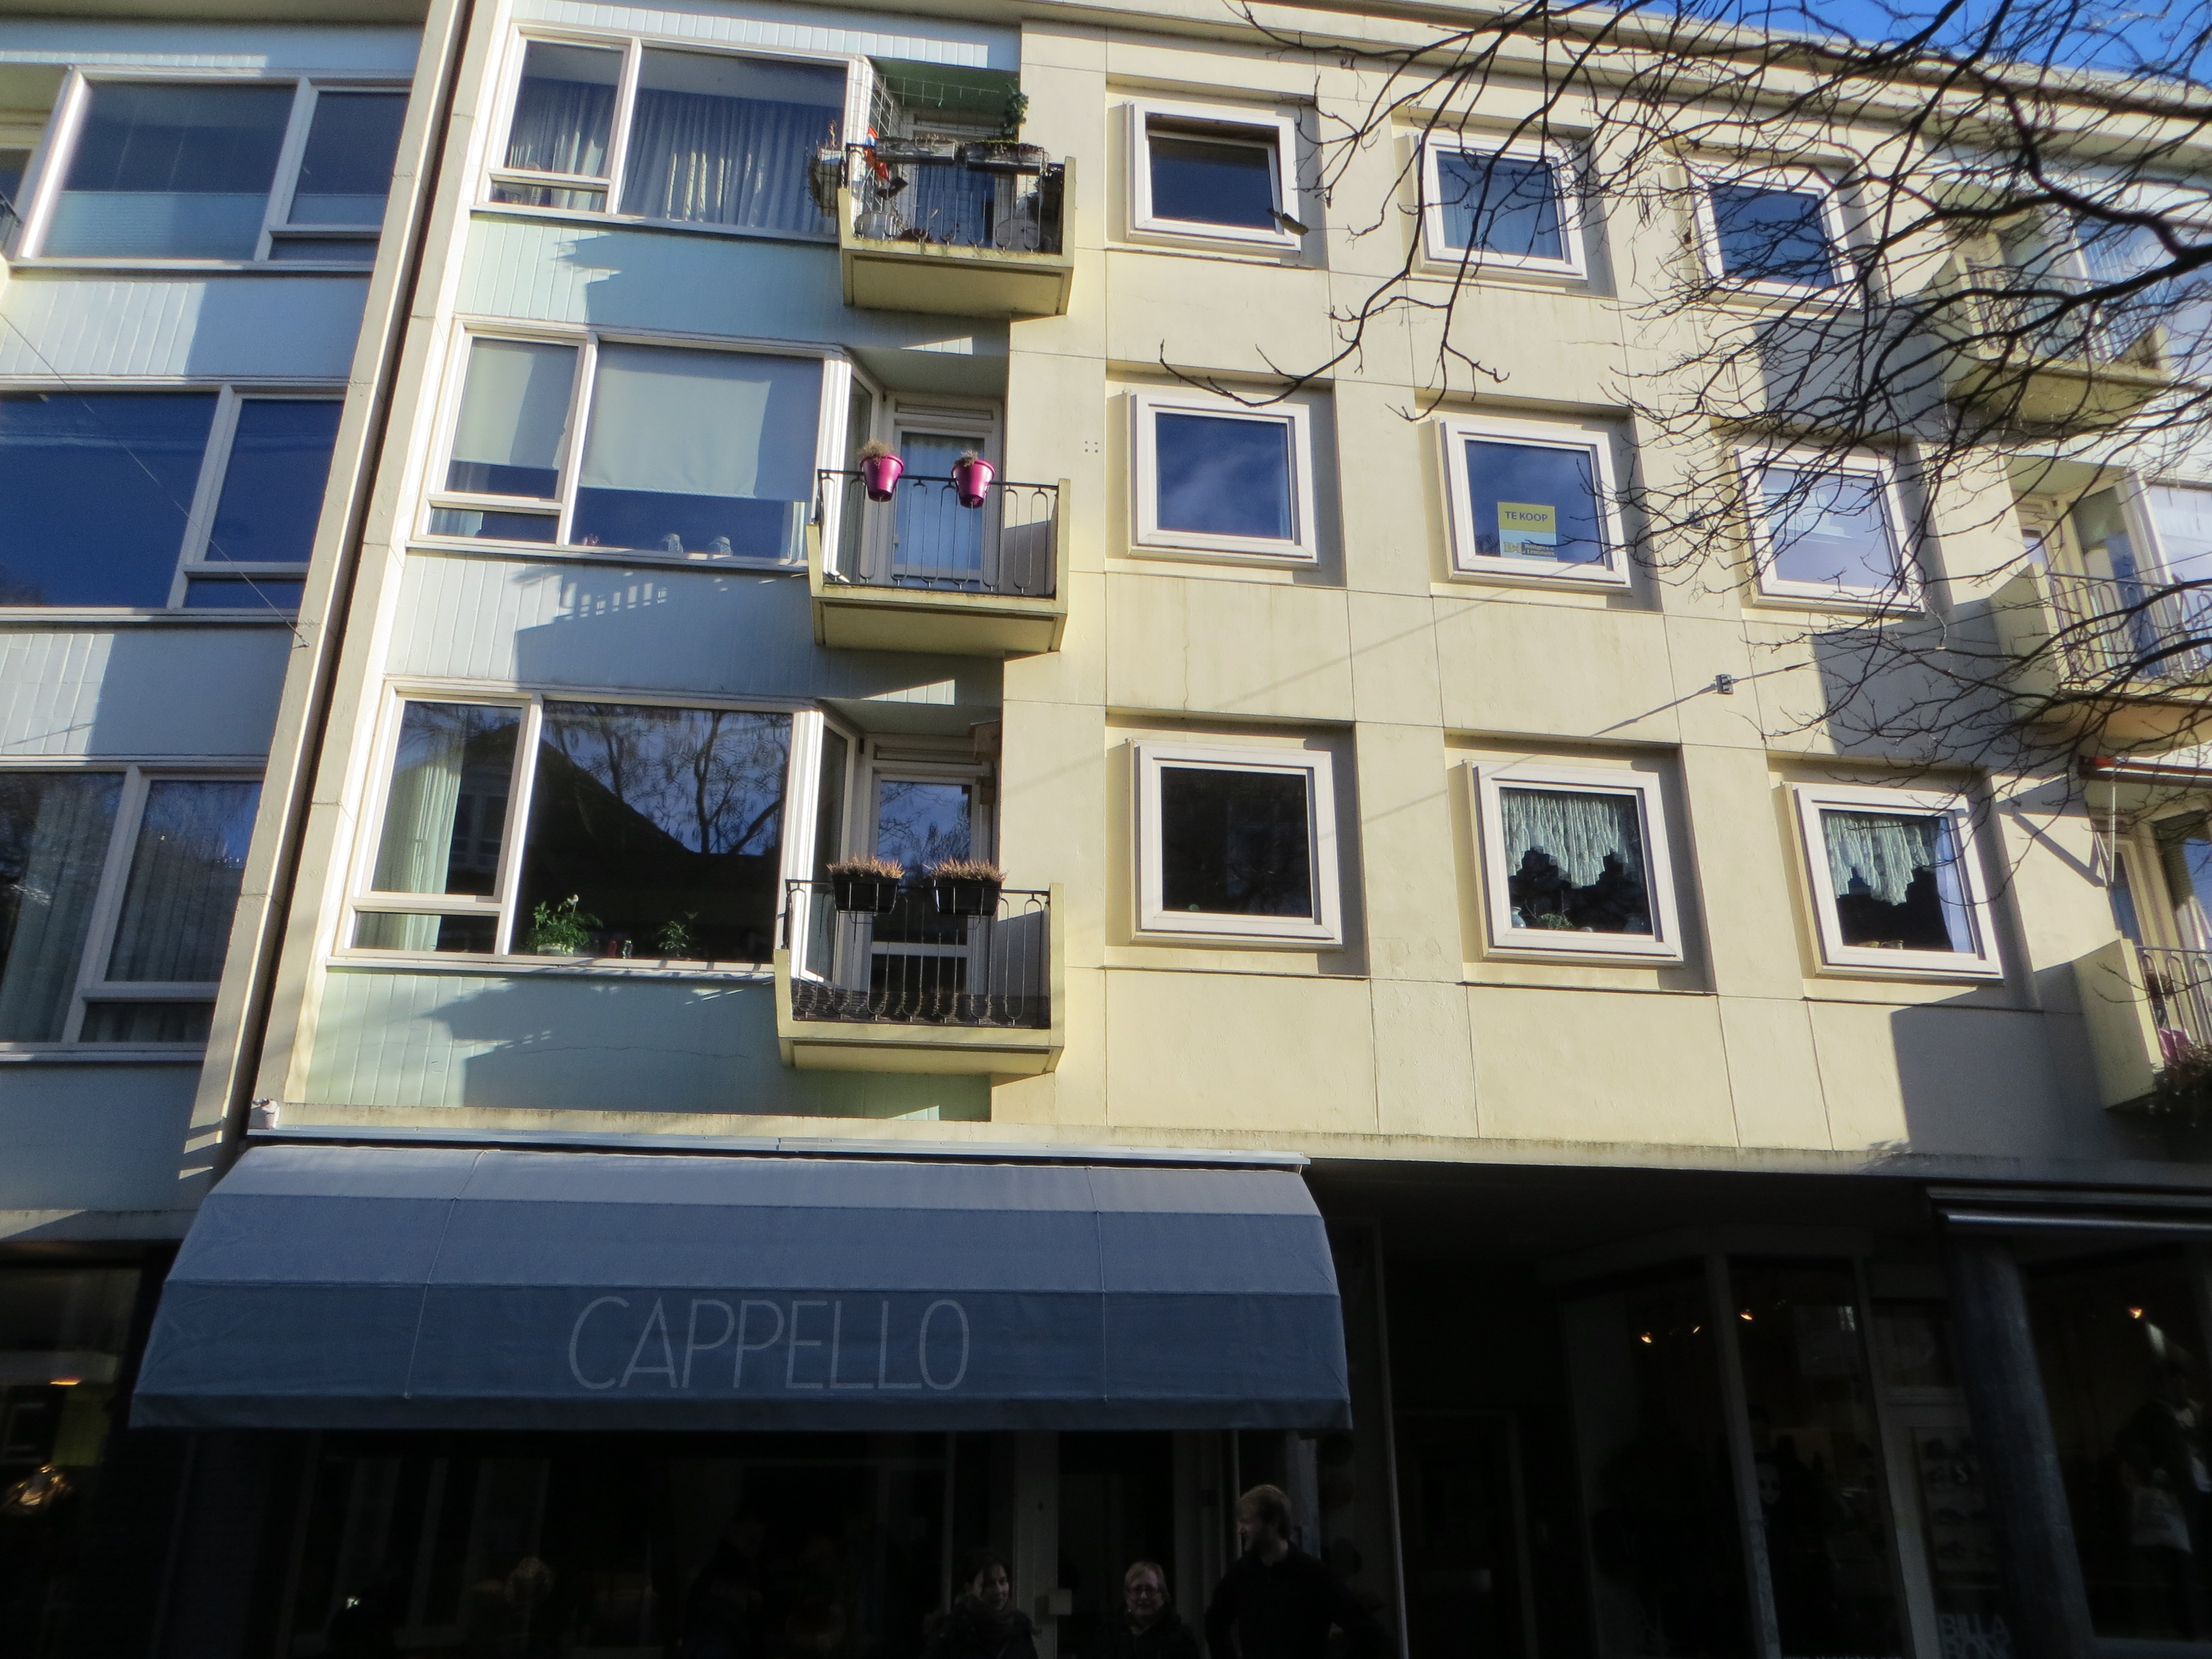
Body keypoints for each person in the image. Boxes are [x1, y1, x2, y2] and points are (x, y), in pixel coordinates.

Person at [1205, 1486, 1386, 1659]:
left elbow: (1368, 1633)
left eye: (1246, 1522)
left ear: (1273, 1523)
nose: (1240, 1530)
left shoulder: (1313, 1575)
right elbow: (1215, 1623)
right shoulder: (1241, 1574)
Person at [924, 1548, 1039, 1659]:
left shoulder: (1020, 1628)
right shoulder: (951, 1633)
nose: (998, 1591)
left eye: (1002, 1582)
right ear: (969, 1589)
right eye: (988, 1584)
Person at [1091, 1562, 1199, 1659]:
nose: (1143, 1596)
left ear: (1163, 1596)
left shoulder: (1181, 1640)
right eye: (1136, 1590)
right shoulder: (1109, 1638)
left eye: (1150, 1590)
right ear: (1127, 1596)